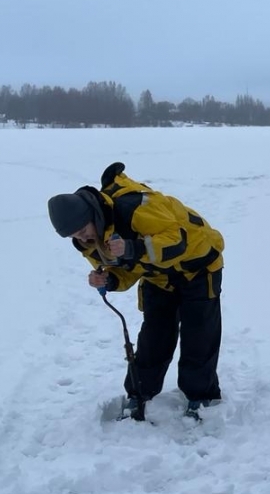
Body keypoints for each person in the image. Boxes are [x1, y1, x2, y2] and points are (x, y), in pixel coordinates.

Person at [47, 162, 225, 420]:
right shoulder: (88, 241)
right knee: (154, 336)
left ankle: (201, 396)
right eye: (74, 236)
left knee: (199, 335)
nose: (83, 239)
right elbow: (124, 272)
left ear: (92, 215)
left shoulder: (135, 206)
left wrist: (133, 249)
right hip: (157, 276)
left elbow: (178, 239)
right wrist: (107, 280)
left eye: (83, 231)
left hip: (198, 265)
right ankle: (139, 393)